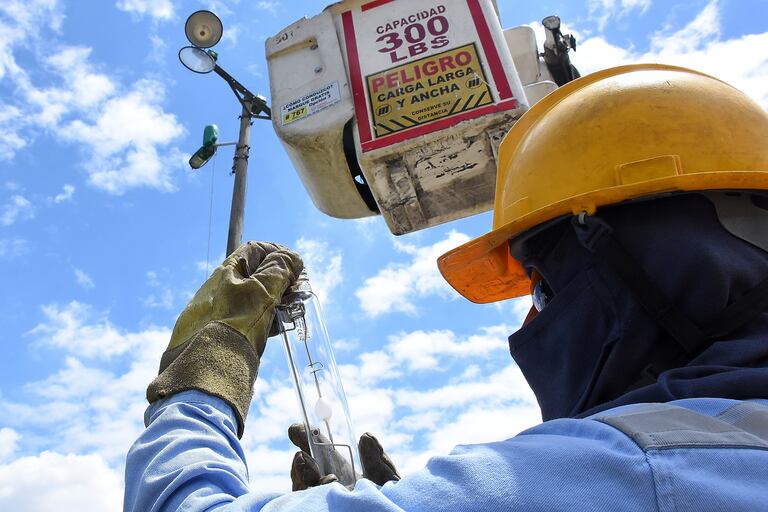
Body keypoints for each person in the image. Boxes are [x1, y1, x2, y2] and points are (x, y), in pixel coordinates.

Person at [123, 64, 768, 511]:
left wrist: (201, 380)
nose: (531, 326)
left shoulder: (630, 472)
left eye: (543, 287)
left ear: (637, 260)